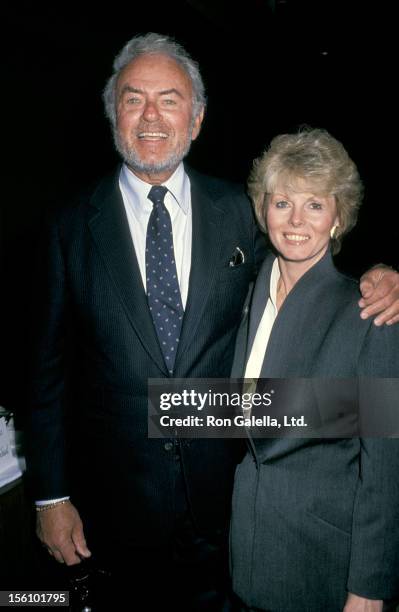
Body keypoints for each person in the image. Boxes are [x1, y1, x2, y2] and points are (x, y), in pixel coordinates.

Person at [26, 34, 399, 610]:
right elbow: (44, 375)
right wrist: (51, 498)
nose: (151, 115)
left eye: (170, 99)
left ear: (196, 120)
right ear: (112, 115)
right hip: (115, 513)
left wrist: (386, 272)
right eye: (133, 99)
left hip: (230, 510)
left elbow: (316, 233)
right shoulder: (66, 225)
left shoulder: (238, 213)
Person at [230, 128, 399, 612]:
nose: (296, 220)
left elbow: (385, 472)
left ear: (338, 217)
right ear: (264, 210)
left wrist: (370, 587)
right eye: (282, 203)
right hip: (246, 553)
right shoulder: (248, 295)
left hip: (323, 565)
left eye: (315, 205)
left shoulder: (370, 315)